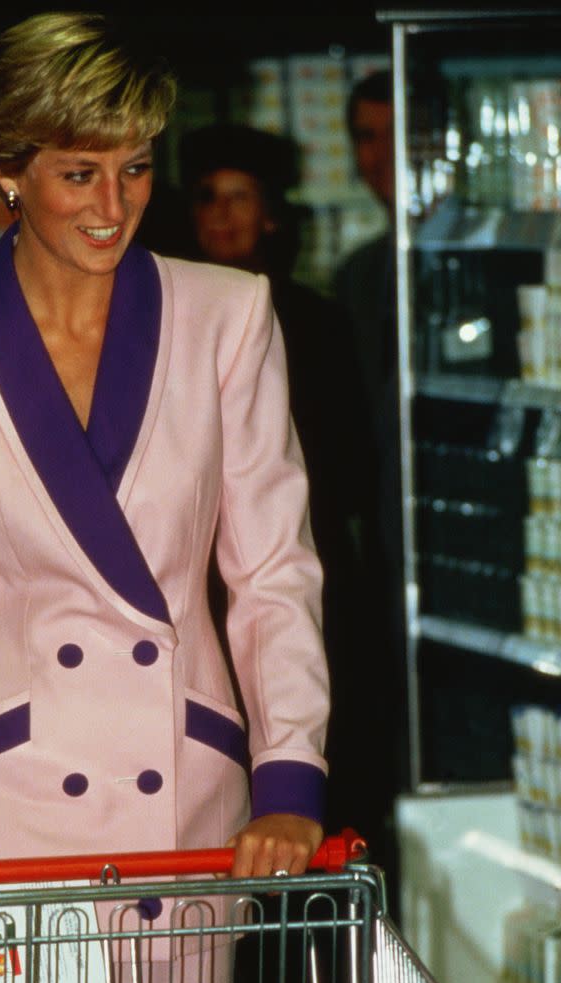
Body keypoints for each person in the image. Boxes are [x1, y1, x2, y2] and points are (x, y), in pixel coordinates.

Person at [0, 16, 329, 983]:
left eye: (136, 169)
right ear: (6, 171)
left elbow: (275, 572)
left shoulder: (229, 314)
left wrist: (289, 778)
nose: (115, 207)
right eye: (79, 175)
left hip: (184, 804)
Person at [179, 123, 373, 843]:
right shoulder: (175, 319)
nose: (223, 214)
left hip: (303, 565)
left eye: (239, 197)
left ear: (271, 214)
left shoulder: (316, 322)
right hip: (204, 580)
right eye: (208, 198)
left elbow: (352, 468)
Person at [334, 69, 407, 881]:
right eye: (364, 135)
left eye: (395, 133)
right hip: (380, 585)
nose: (380, 155)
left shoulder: (491, 256)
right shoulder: (359, 277)